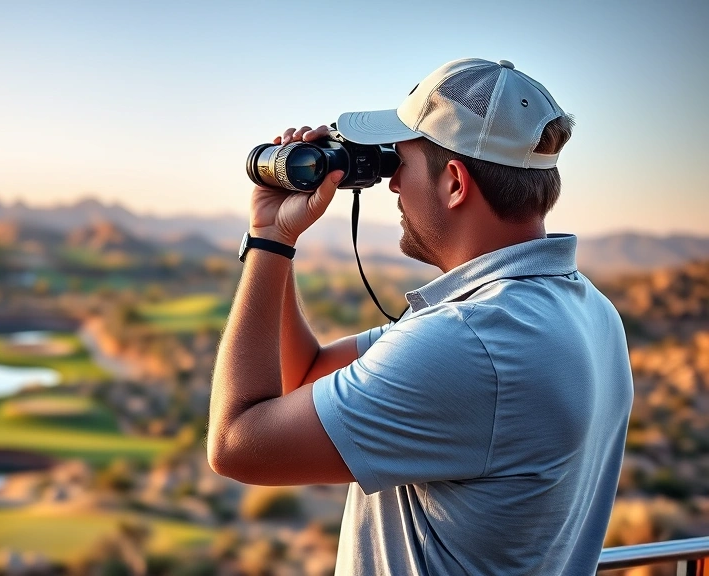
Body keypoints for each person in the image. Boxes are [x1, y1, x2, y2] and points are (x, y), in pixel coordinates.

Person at [207, 57, 634, 575]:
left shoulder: (468, 344)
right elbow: (303, 375)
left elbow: (236, 444)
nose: (392, 185)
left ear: (455, 182)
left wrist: (266, 243)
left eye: (400, 163)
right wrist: (281, 233)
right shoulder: (586, 310)